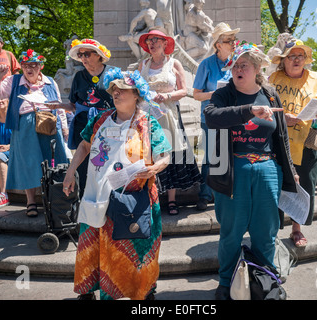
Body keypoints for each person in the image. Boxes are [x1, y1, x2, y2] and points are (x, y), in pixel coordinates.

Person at [62, 69, 172, 300]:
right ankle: (89, 290)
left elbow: (165, 155)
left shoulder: (148, 122)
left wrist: (155, 168)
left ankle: (143, 291)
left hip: (135, 199)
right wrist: (70, 172)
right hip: (99, 194)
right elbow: (83, 146)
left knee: (137, 248)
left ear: (136, 94)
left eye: (123, 90)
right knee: (92, 243)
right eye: (114, 90)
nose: (116, 93)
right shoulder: (100, 119)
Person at [204, 41, 298, 300]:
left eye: (243, 65)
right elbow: (212, 116)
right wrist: (249, 111)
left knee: (265, 230)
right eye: (234, 66)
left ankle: (266, 280)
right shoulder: (223, 94)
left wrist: (289, 169)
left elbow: (280, 136)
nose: (237, 70)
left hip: (268, 168)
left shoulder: (269, 93)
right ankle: (226, 283)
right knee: (231, 232)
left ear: (256, 68)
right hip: (233, 171)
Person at [0, 49, 68, 217]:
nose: (29, 69)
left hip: (50, 125)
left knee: (55, 163)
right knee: (28, 164)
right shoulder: (13, 81)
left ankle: (54, 200)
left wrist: (65, 128)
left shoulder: (51, 82)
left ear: (41, 66)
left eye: (33, 65)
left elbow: (59, 106)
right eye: (25, 66)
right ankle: (30, 201)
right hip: (24, 127)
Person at [269, 39, 317, 248]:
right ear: (283, 60)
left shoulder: (316, 80)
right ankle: (272, 231)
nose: (296, 60)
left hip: (307, 141)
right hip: (277, 142)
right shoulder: (272, 80)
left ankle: (297, 228)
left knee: (304, 185)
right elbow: (262, 108)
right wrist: (282, 118)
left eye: (300, 56)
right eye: (292, 56)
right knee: (275, 184)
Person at [138, 28, 202, 215]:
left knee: (170, 155)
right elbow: (137, 89)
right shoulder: (143, 65)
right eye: (150, 40)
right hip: (148, 115)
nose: (153, 43)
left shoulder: (174, 63)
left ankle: (172, 200)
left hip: (169, 115)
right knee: (148, 155)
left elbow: (183, 91)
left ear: (165, 43)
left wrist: (166, 95)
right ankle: (151, 197)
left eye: (157, 39)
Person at [53, 38, 115, 197]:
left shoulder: (114, 73)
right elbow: (73, 105)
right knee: (83, 167)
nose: (83, 58)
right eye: (80, 55)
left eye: (87, 54)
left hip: (108, 125)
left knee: (107, 165)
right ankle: (85, 207)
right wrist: (59, 105)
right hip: (83, 126)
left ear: (99, 55)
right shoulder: (79, 76)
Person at [192, 22, 239, 211]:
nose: (233, 43)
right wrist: (216, 94)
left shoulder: (238, 62)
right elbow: (196, 94)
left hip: (234, 117)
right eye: (229, 40)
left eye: (234, 39)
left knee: (232, 155)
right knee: (211, 157)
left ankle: (231, 193)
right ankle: (205, 195)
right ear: (218, 44)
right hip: (211, 117)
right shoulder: (207, 64)